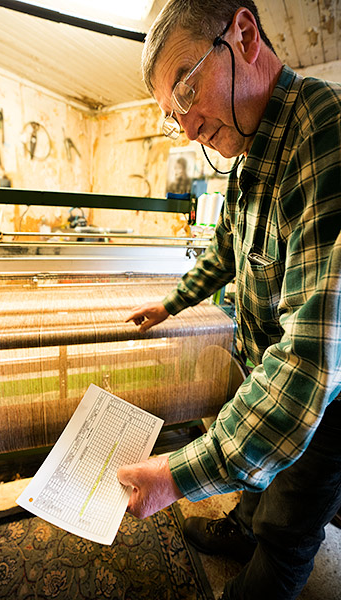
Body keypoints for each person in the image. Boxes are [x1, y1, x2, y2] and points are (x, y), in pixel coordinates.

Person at [116, 1, 341, 598]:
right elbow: (225, 250)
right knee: (259, 490)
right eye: (173, 115)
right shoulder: (247, 157)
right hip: (267, 367)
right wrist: (172, 303)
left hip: (326, 401)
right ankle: (242, 527)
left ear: (243, 35)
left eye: (187, 91)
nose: (187, 127)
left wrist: (176, 473)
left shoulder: (325, 134)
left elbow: (310, 364)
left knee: (289, 529)